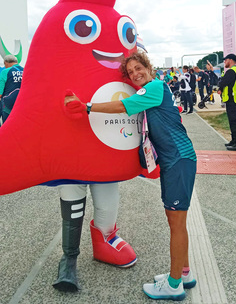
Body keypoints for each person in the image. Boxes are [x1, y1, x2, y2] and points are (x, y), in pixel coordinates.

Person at [64, 52, 197, 301]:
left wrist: (87, 107)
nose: (136, 74)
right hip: (176, 161)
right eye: (131, 72)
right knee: (176, 223)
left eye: (139, 68)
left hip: (179, 160)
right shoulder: (154, 90)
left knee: (176, 225)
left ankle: (174, 284)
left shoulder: (155, 86)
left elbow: (125, 106)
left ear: (149, 67)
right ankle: (185, 274)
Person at [217, 54, 236, 151]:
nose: (225, 62)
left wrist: (220, 86)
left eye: (225, 60)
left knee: (234, 121)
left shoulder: (231, 71)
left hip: (233, 99)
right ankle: (234, 141)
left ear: (230, 60)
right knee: (234, 121)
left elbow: (223, 82)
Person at [0, 55, 24, 122]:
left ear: (6, 63)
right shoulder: (25, 70)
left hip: (9, 105)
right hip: (23, 103)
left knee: (8, 127)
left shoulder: (5, 72)